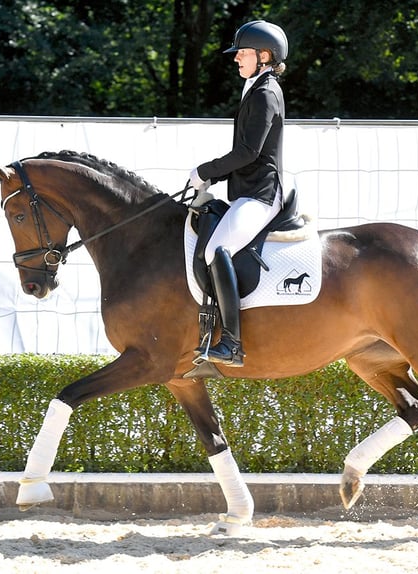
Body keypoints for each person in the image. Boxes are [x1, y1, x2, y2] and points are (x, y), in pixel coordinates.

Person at [189, 20, 288, 367]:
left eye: (242, 53)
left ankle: (232, 343)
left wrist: (206, 171)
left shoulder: (264, 93)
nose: (236, 59)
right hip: (248, 189)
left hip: (260, 195)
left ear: (264, 56)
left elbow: (248, 152)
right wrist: (212, 180)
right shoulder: (256, 87)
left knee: (218, 249)